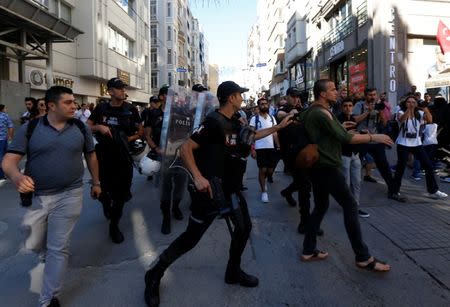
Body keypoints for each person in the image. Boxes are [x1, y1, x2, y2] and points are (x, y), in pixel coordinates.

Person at [143, 81, 293, 307]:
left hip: (231, 189)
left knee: (243, 229)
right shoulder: (213, 122)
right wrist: (198, 177)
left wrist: (278, 128)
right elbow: (185, 149)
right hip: (210, 191)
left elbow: (251, 136)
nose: (242, 98)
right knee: (191, 239)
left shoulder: (236, 121)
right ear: (231, 98)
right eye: (239, 95)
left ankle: (233, 272)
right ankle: (154, 274)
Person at [1, 86, 101, 307]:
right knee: (31, 238)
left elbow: (91, 156)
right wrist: (17, 178)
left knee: (58, 247)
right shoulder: (30, 128)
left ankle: (48, 298)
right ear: (51, 106)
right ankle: (45, 253)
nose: (74, 106)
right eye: (68, 102)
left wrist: (96, 182)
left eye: (74, 102)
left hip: (70, 194)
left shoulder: (81, 128)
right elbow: (8, 161)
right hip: (38, 196)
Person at [300, 79, 391, 272]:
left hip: (316, 167)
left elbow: (329, 134)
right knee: (350, 204)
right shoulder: (321, 112)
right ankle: (363, 257)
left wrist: (341, 127)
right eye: (333, 89)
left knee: (321, 206)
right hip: (326, 167)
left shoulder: (310, 111)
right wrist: (375, 137)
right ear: (322, 94)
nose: (337, 92)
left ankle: (308, 249)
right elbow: (345, 138)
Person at [88, 78, 143, 244]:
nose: (122, 91)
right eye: (119, 88)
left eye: (123, 88)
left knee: (121, 194)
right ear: (110, 91)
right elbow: (87, 126)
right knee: (101, 190)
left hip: (123, 157)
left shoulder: (131, 109)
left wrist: (128, 138)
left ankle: (114, 226)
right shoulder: (101, 108)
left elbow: (140, 131)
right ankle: (105, 204)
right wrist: (98, 127)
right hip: (103, 157)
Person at [144, 85, 187, 234]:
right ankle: (166, 218)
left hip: (180, 156)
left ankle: (176, 207)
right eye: (170, 95)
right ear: (162, 97)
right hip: (163, 157)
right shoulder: (153, 113)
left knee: (180, 186)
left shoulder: (180, 112)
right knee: (165, 189)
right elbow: (147, 135)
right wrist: (156, 148)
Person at [353, 88, 404, 202]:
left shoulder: (379, 105)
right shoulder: (359, 105)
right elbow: (355, 120)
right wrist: (367, 112)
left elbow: (385, 122)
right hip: (362, 139)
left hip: (376, 139)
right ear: (366, 96)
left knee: (384, 165)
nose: (372, 97)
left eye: (374, 95)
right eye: (370, 95)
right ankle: (351, 195)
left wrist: (380, 111)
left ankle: (393, 191)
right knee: (355, 166)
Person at [392, 96, 447, 199]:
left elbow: (430, 120)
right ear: (405, 103)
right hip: (403, 143)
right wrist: (409, 110)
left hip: (416, 143)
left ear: (416, 104)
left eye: (413, 102)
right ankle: (395, 191)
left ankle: (433, 191)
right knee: (401, 168)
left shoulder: (420, 113)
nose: (411, 104)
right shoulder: (401, 112)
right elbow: (402, 120)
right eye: (409, 102)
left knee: (428, 165)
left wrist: (425, 108)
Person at [337, 98, 369, 218]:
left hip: (355, 154)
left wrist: (362, 133)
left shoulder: (354, 118)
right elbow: (336, 134)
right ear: (342, 107)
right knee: (346, 181)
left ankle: (355, 206)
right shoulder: (338, 119)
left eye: (350, 105)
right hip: (344, 154)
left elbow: (356, 133)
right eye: (345, 106)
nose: (348, 108)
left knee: (357, 181)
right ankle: (348, 206)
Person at [249, 97, 279, 203]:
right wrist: (252, 149)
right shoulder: (254, 119)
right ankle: (264, 192)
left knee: (270, 170)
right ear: (259, 106)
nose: (264, 105)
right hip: (260, 148)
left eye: (265, 104)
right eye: (262, 104)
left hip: (271, 147)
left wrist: (278, 145)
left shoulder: (272, 118)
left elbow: (275, 132)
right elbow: (251, 135)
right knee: (262, 170)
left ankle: (264, 179)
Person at [0, 104, 14, 181]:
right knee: (6, 156)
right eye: (5, 108)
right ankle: (4, 174)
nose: (6, 109)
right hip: (3, 140)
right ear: (2, 109)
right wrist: (10, 137)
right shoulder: (5, 116)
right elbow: (11, 127)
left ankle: (2, 174)